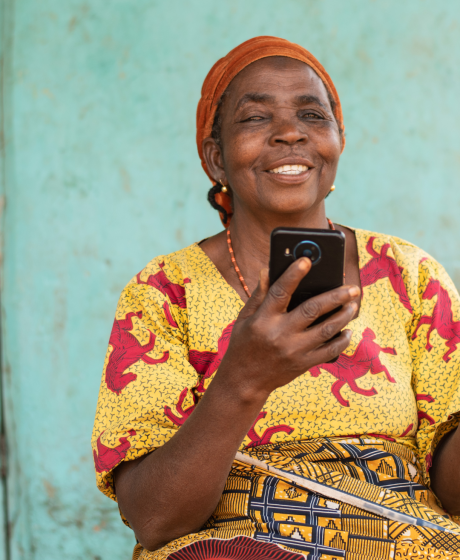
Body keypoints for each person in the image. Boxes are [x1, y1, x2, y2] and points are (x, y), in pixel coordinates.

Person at [92, 36, 460, 560]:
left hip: (405, 540)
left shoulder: (410, 275)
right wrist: (243, 379)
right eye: (255, 118)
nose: (290, 133)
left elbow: (451, 490)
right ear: (215, 158)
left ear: (338, 141)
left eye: (313, 115)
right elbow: (153, 519)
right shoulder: (164, 291)